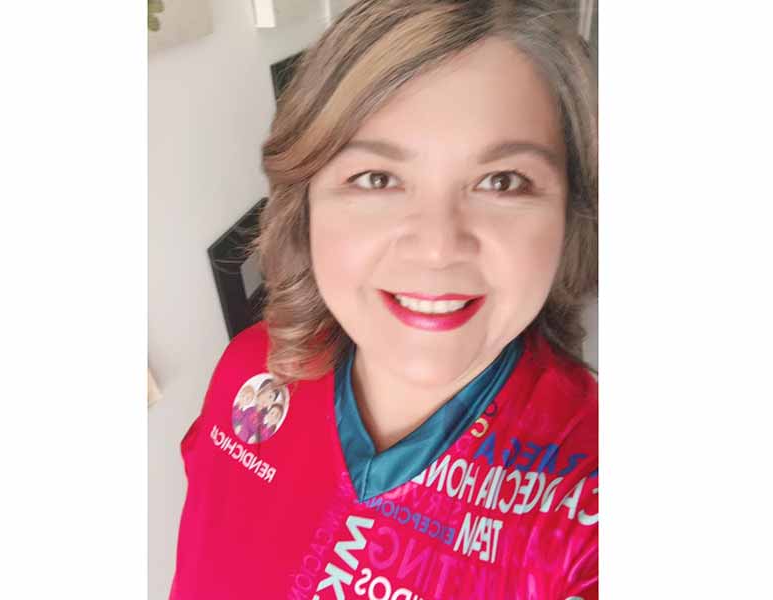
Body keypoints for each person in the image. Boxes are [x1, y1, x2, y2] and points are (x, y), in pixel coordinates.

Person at [170, 1, 598, 599]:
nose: (437, 248)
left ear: (569, 216)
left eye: (502, 181)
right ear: (305, 205)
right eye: (377, 178)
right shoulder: (251, 367)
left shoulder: (590, 495)